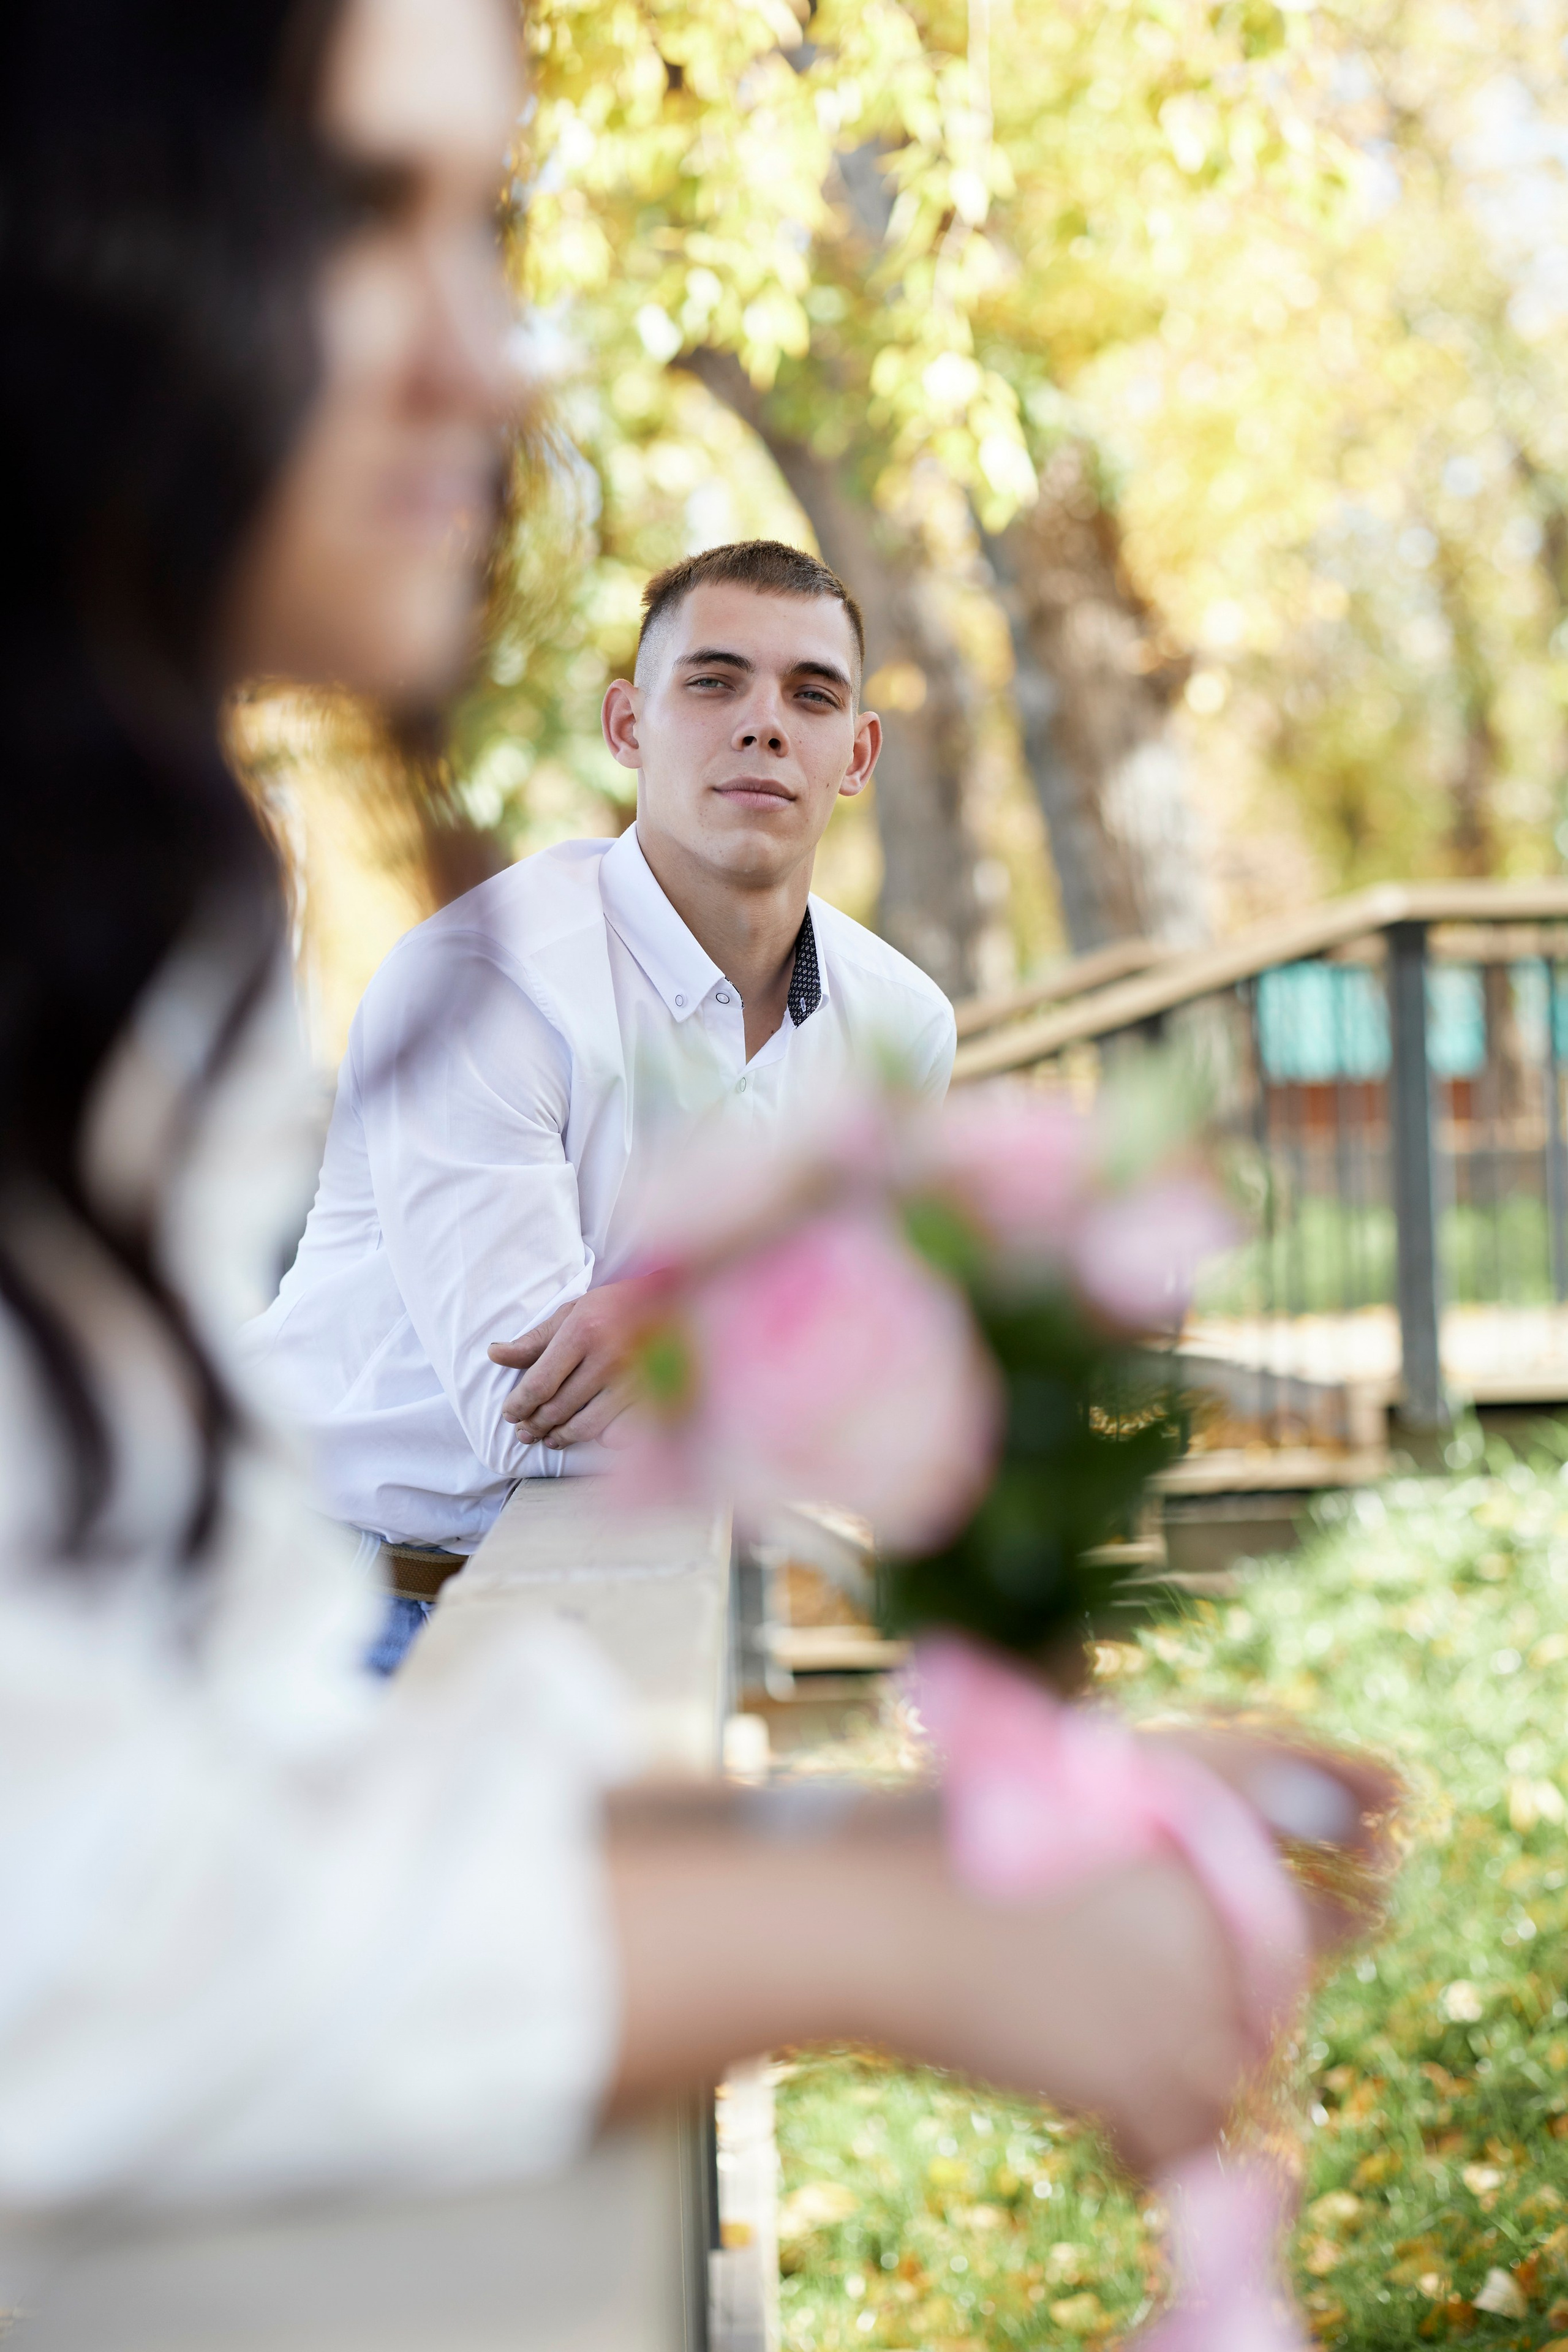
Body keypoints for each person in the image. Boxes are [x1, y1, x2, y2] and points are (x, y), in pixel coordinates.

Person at [0, 0, 1383, 2316]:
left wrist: (996, 1798)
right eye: (362, 214)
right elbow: (517, 1396)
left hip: (443, 1665)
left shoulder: (169, 912)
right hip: (364, 1588)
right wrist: (888, 1905)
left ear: (860, 759)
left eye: (494, 226)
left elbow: (808, 1399)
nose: (500, 358)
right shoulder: (466, 970)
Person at [243, 539, 956, 1628]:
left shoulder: (899, 1026)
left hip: (621, 1592)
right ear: (628, 726)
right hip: (328, 1603)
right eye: (713, 683)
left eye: (812, 696)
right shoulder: (490, 981)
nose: (765, 724)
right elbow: (530, 1420)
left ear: (857, 755)